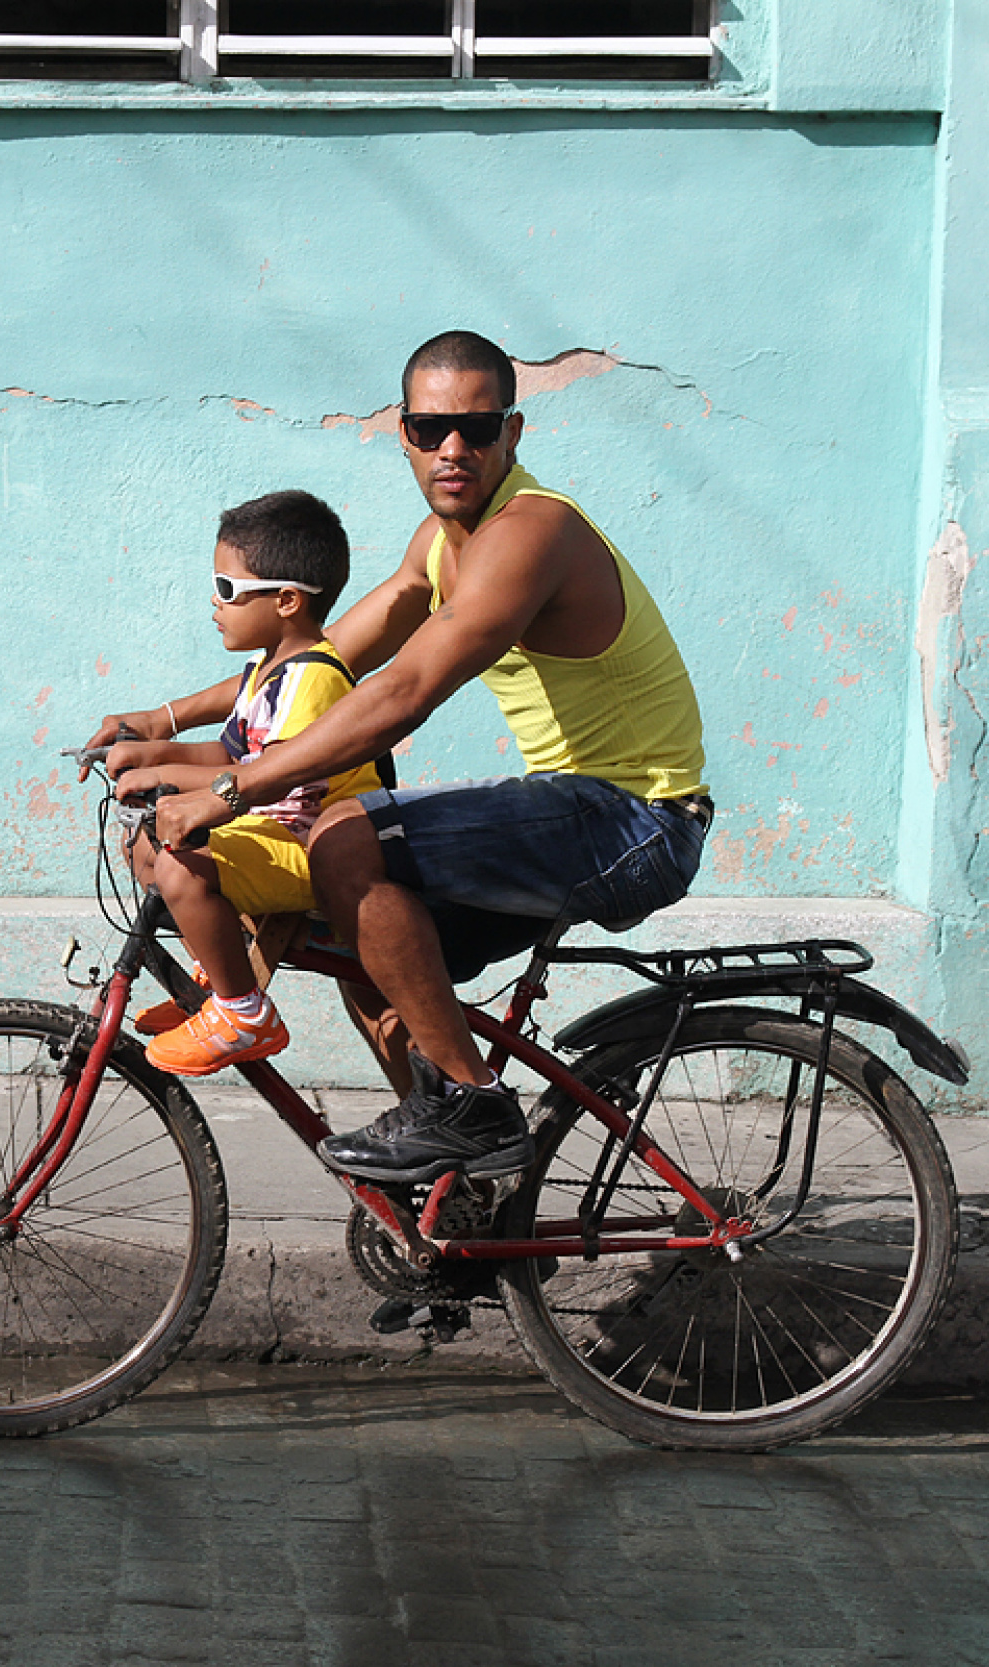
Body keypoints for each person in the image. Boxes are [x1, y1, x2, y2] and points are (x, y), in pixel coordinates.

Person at [98, 329, 711, 1185]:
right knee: (358, 942)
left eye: (477, 428)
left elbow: (402, 693)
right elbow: (324, 660)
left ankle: (471, 1106)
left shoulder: (531, 532)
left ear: (512, 433)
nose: (452, 448)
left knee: (347, 838)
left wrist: (232, 789)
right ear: (405, 435)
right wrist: (162, 722)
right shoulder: (440, 541)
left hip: (633, 819)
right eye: (430, 429)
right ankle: (454, 1196)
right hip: (570, 808)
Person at [104, 490, 385, 1077]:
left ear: (286, 601)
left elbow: (263, 778)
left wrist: (163, 773)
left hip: (314, 849)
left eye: (227, 588)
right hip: (270, 833)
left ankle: (242, 1011)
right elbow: (229, 753)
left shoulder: (313, 678)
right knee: (142, 844)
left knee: (181, 864)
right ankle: (220, 970)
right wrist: (149, 750)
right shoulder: (268, 669)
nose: (215, 601)